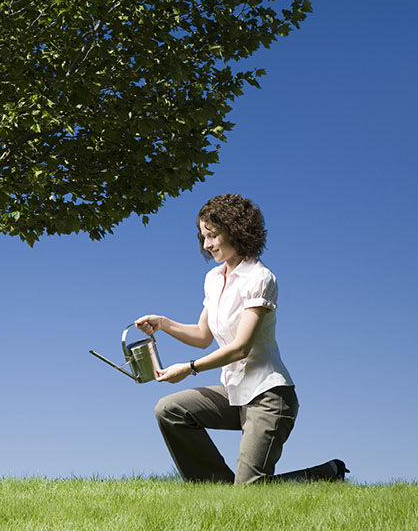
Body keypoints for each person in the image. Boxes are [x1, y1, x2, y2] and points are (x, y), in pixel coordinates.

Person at [136, 193, 348, 485]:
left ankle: (325, 475)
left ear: (236, 231)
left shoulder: (260, 279)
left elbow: (240, 348)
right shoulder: (213, 278)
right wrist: (164, 324)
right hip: (233, 394)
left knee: (250, 490)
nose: (207, 244)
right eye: (203, 237)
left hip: (269, 397)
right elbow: (201, 336)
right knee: (170, 410)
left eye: (213, 235)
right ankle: (214, 489)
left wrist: (189, 368)